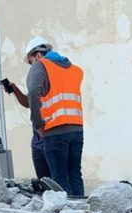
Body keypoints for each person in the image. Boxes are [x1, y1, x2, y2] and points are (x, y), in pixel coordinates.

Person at [25, 37, 85, 197]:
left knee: (59, 179)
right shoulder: (74, 69)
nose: (32, 66)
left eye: (30, 61)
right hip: (77, 129)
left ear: (37, 55)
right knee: (75, 175)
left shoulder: (41, 65)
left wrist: (37, 123)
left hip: (54, 130)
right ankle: (81, 212)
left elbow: (32, 92)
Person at [0, 78, 51, 179]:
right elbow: (27, 102)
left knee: (57, 182)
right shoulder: (36, 85)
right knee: (44, 182)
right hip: (37, 144)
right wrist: (14, 89)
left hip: (52, 141)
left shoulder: (53, 86)